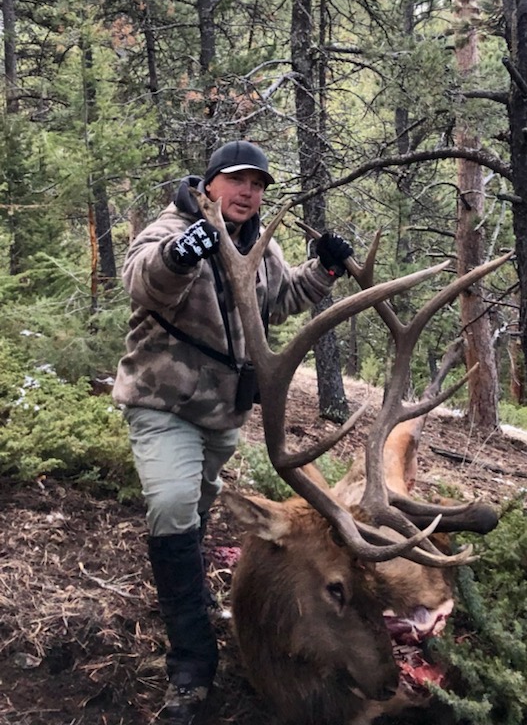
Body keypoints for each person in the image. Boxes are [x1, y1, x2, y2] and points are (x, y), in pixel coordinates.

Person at [112, 140, 353, 724]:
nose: (249, 192)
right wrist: (179, 256)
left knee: (192, 514)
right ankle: (192, 667)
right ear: (212, 183)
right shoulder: (172, 226)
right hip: (164, 402)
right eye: (238, 181)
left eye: (259, 185)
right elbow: (142, 280)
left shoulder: (258, 246)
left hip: (223, 415)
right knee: (171, 506)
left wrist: (322, 269)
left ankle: (186, 599)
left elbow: (282, 298)